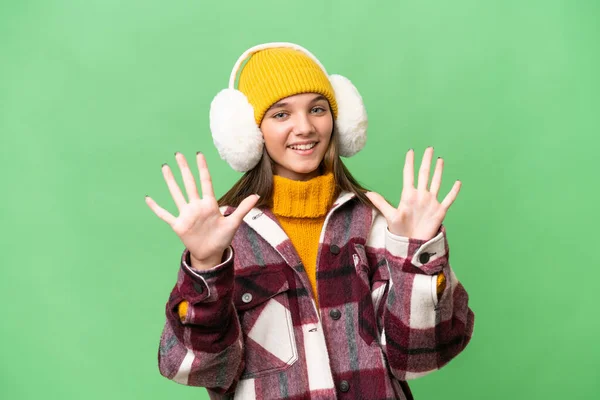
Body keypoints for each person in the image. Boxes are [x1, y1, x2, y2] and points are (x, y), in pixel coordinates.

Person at [146, 42, 474, 400]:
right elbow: (196, 367)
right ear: (248, 132)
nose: (305, 127)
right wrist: (206, 267)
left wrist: (416, 258)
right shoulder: (224, 236)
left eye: (317, 109)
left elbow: (418, 357)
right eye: (281, 114)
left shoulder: (378, 224)